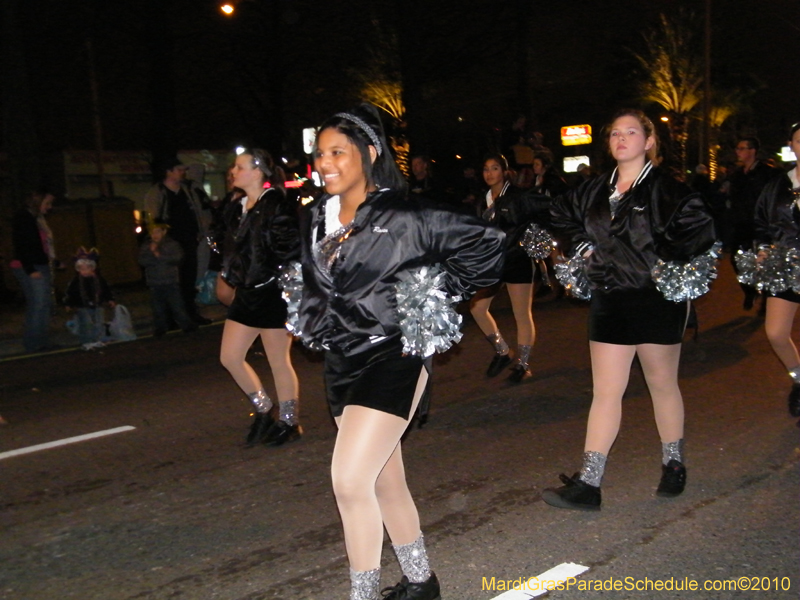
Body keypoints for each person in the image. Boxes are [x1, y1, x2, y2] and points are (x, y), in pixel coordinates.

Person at [293, 103, 505, 600]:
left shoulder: (405, 214)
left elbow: (488, 241)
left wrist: (431, 294)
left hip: (395, 357)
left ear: (368, 153)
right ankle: (420, 580)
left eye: (337, 152)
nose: (324, 162)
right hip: (343, 362)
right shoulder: (312, 219)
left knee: (348, 481)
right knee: (385, 480)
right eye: (319, 153)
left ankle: (362, 595)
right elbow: (316, 283)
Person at [543, 109, 716, 511]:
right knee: (605, 392)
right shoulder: (594, 189)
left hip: (653, 300)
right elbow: (560, 215)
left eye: (631, 132)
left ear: (649, 141)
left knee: (661, 383)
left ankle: (673, 464)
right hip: (609, 300)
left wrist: (662, 260)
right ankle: (589, 483)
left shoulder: (667, 190)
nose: (622, 139)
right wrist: (583, 248)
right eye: (615, 133)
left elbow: (700, 227)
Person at [218, 149, 302, 448]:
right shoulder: (236, 206)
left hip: (271, 292)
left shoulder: (275, 204)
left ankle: (289, 421)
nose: (233, 171)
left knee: (279, 360)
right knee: (229, 356)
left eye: (239, 167)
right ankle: (265, 408)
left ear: (258, 172)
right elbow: (231, 248)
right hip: (247, 292)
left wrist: (288, 286)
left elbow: (290, 249)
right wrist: (229, 273)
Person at [470, 154, 542, 383]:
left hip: (517, 259)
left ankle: (523, 364)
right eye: (486, 169)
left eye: (495, 168)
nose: (490, 173)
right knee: (477, 308)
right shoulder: (482, 200)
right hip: (493, 264)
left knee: (521, 314)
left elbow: (537, 219)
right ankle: (503, 351)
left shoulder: (517, 196)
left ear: (504, 171)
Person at [753, 122, 800, 418]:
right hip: (785, 267)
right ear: (791, 146)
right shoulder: (778, 184)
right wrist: (762, 248)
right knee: (775, 332)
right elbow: (761, 219)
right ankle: (799, 380)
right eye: (799, 140)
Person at [144, 158, 213, 324]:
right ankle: (171, 317)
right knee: (171, 281)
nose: (183, 172)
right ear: (169, 171)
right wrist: (157, 240)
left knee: (189, 278)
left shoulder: (188, 189)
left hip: (190, 240)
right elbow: (152, 218)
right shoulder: (157, 192)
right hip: (169, 244)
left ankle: (190, 313)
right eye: (179, 169)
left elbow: (201, 210)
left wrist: (202, 230)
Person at [727, 137, 781, 311]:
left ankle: (766, 298)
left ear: (752, 151)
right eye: (737, 148)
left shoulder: (767, 173)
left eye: (742, 148)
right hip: (741, 224)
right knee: (737, 259)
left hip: (761, 225)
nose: (738, 152)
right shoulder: (736, 175)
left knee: (764, 261)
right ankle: (749, 290)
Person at [10, 188, 59, 353]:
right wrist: (30, 268)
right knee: (38, 304)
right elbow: (22, 244)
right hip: (29, 265)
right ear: (38, 202)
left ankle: (41, 340)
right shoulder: (24, 217)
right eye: (47, 203)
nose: (49, 207)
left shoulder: (37, 219)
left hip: (39, 263)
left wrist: (54, 261)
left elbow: (41, 246)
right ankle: (33, 343)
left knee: (43, 304)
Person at [138, 220, 198, 338]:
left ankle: (187, 325)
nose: (154, 235)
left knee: (177, 306)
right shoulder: (146, 246)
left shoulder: (171, 244)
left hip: (170, 281)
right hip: (154, 282)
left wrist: (158, 254)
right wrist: (152, 255)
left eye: (157, 232)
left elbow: (177, 258)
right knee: (157, 308)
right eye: (152, 232)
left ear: (164, 232)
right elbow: (142, 261)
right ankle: (160, 329)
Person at [63, 247, 115, 349]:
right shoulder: (76, 281)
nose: (84, 271)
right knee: (86, 324)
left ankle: (99, 338)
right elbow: (71, 293)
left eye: (87, 268)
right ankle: (87, 341)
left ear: (92, 268)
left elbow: (105, 289)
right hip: (82, 306)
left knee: (99, 322)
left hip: (97, 304)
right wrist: (68, 303)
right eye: (82, 269)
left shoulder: (98, 279)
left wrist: (110, 299)